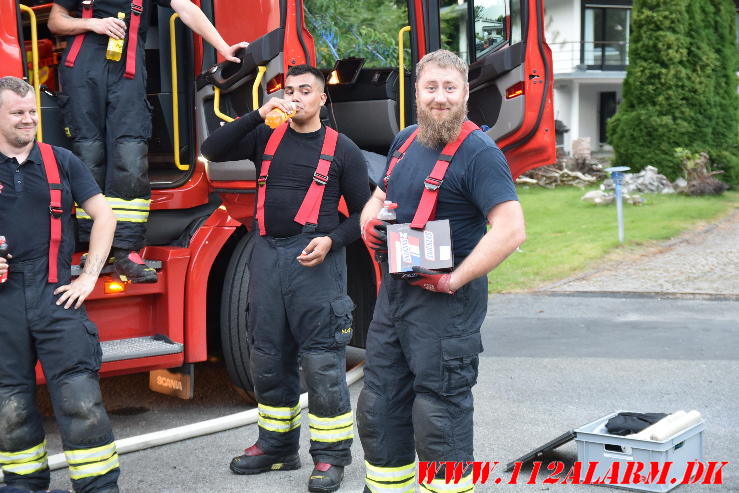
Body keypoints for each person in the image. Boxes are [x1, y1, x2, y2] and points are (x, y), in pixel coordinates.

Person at [357, 50, 526, 493]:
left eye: (450, 88)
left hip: (446, 305)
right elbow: (377, 198)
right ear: (417, 92)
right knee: (380, 406)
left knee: (438, 415)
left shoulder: (479, 153)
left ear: (466, 93)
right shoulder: (406, 140)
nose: (440, 97)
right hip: (395, 297)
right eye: (431, 87)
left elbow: (510, 230)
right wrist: (369, 224)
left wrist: (454, 279)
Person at [200, 64, 370, 493]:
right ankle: (276, 447)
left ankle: (330, 459)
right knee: (268, 357)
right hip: (267, 257)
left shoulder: (343, 149)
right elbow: (212, 148)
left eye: (305, 90)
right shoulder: (265, 135)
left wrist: (332, 241)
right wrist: (259, 114)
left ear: (321, 99)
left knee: (322, 364)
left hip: (316, 263)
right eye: (289, 89)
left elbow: (364, 216)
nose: (296, 96)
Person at [48, 0, 248, 283]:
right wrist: (92, 24)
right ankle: (90, 244)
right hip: (82, 73)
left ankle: (125, 250)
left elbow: (187, 8)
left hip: (127, 75)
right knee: (88, 155)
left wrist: (222, 46)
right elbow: (55, 21)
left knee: (130, 156)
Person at [0, 76, 118, 492]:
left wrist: (88, 275)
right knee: (8, 403)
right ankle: (21, 483)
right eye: (18, 112)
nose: (29, 119)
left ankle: (99, 485)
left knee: (80, 398)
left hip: (57, 295)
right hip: (4, 302)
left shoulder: (61, 160)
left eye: (32, 111)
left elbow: (104, 216)